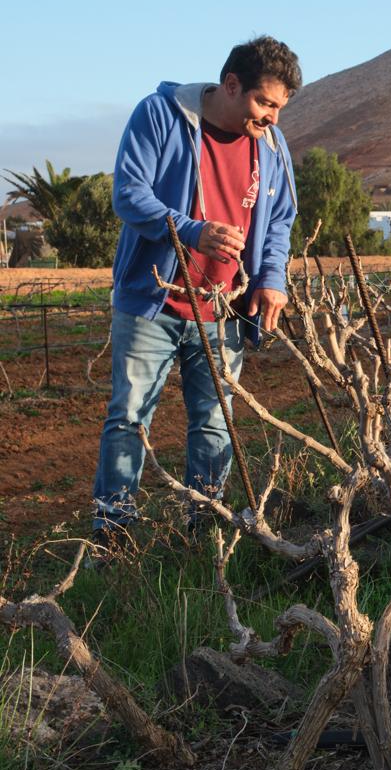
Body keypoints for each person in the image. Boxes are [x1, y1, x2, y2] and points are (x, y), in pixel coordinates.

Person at [92, 36, 302, 553]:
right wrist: (188, 230)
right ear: (231, 85)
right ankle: (114, 537)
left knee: (215, 423)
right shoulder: (161, 115)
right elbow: (128, 192)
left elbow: (278, 222)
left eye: (279, 107)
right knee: (129, 419)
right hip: (153, 302)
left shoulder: (272, 147)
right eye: (264, 102)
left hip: (224, 308)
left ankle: (205, 531)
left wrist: (271, 280)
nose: (272, 117)